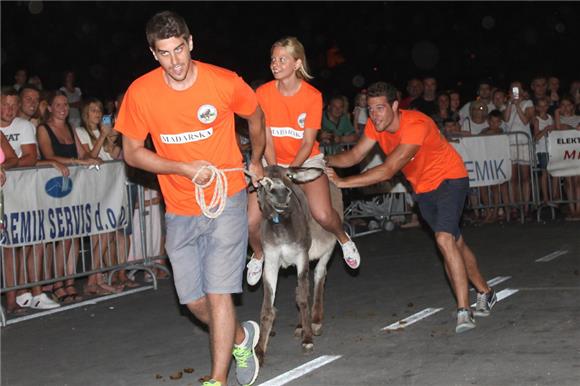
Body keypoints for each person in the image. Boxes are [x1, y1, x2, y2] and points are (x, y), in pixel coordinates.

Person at [114, 11, 265, 386]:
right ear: (154, 54)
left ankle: (218, 378)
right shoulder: (141, 92)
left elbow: (257, 117)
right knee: (193, 302)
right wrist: (181, 169)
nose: (175, 61)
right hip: (179, 206)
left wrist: (257, 160)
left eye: (179, 50)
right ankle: (242, 337)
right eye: (165, 53)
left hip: (226, 197)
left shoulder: (224, 82)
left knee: (218, 293)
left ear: (191, 42)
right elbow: (132, 152)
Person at [325, 81, 496, 333]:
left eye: (380, 108)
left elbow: (388, 170)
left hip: (450, 178)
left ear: (395, 106)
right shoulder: (375, 124)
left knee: (444, 239)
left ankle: (463, 310)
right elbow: (354, 156)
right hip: (423, 189)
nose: (374, 115)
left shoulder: (415, 124)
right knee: (455, 242)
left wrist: (343, 181)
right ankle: (485, 292)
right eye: (371, 109)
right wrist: (319, 159)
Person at [246, 36, 361, 287]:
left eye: (282, 59)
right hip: (273, 162)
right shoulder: (263, 93)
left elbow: (308, 143)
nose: (275, 64)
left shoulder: (312, 96)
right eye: (273, 59)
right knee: (250, 221)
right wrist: (275, 171)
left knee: (322, 214)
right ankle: (258, 254)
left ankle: (344, 239)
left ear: (297, 63)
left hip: (306, 160)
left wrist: (291, 170)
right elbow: (265, 136)